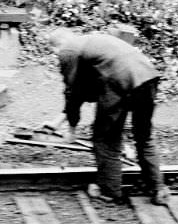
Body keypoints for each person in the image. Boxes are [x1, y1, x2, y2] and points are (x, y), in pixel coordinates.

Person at [48, 28, 169, 205]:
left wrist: (72, 129)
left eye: (55, 53)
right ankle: (158, 189)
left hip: (120, 81)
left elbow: (73, 92)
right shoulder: (93, 42)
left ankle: (110, 191)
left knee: (106, 138)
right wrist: (60, 119)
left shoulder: (68, 50)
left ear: (56, 47)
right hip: (147, 77)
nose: (57, 57)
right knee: (144, 135)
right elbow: (84, 91)